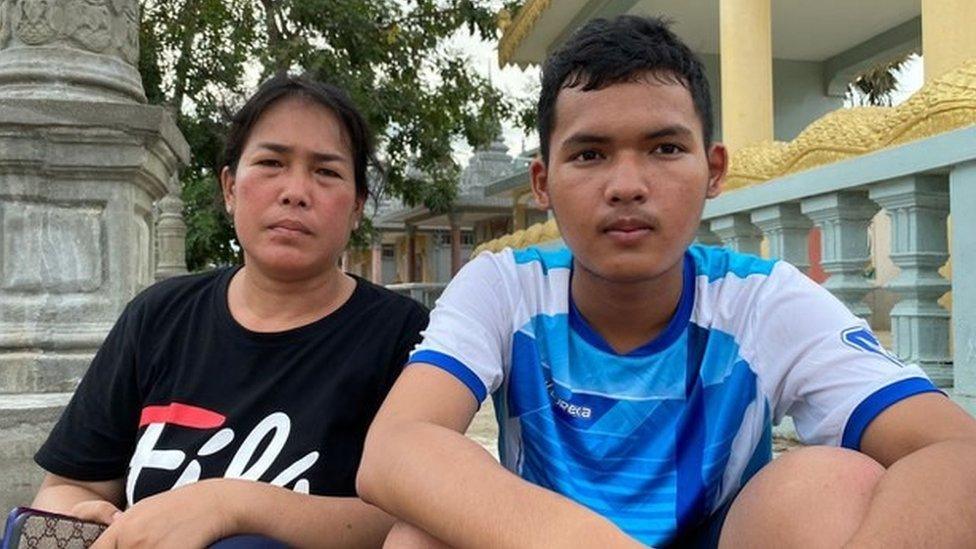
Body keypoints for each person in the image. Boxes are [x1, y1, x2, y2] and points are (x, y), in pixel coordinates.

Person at [357, 15, 976, 548]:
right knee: (417, 536)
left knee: (831, 484)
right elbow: (397, 446)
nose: (627, 184)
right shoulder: (504, 288)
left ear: (714, 171)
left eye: (664, 149)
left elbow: (954, 452)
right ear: (543, 183)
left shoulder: (762, 302)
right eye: (590, 154)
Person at [30, 74, 429, 547]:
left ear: (357, 206)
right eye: (271, 162)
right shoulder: (159, 317)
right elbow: (66, 487)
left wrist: (230, 505)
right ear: (230, 188)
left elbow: (418, 518)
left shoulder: (403, 336)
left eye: (326, 172)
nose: (295, 190)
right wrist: (83, 519)